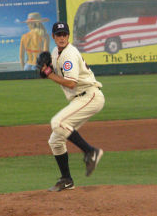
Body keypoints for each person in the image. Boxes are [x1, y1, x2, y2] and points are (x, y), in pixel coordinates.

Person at [39, 22, 105, 192]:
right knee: (55, 140)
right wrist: (45, 70)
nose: (62, 37)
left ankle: (91, 152)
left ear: (68, 36)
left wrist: (49, 74)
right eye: (58, 34)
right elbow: (51, 71)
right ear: (53, 37)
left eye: (64, 34)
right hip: (80, 99)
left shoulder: (69, 54)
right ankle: (67, 179)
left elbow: (70, 82)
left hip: (90, 96)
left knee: (58, 122)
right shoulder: (56, 52)